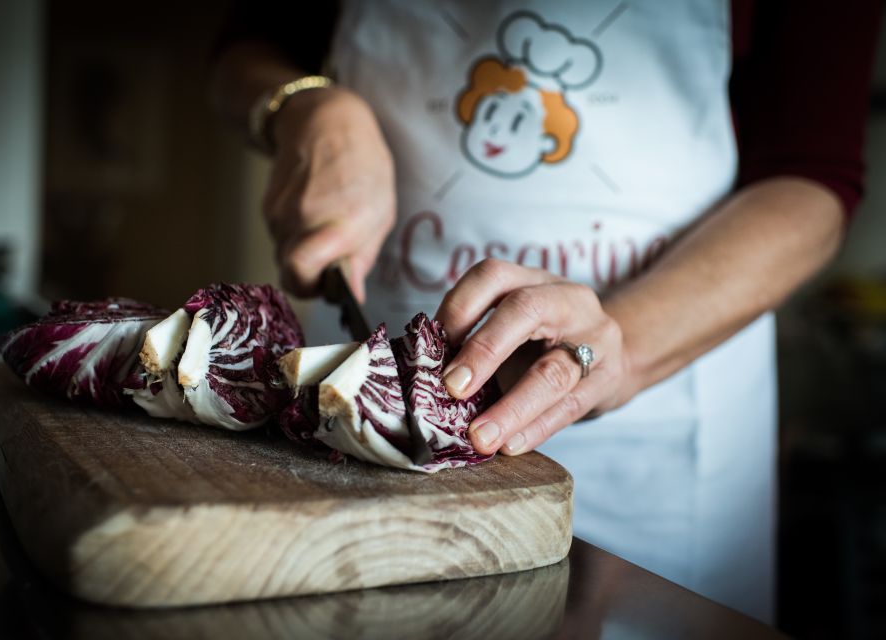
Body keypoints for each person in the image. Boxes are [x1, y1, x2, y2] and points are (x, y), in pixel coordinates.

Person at [212, 0, 882, 623]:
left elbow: (812, 175)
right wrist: (303, 106)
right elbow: (243, 48)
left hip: (660, 443)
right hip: (362, 406)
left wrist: (624, 346)